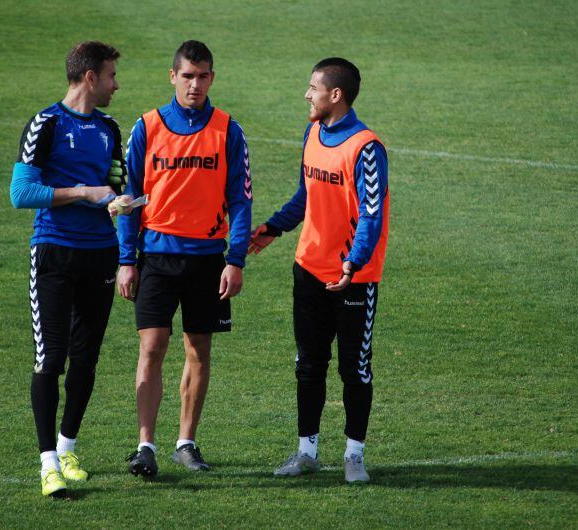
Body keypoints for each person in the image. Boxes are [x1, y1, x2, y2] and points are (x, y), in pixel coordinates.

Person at [248, 57, 389, 484]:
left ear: (336, 95)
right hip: (309, 268)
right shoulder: (312, 132)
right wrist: (273, 227)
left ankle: (354, 455)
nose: (306, 94)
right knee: (308, 363)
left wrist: (353, 261)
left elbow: (371, 214)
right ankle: (306, 451)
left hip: (352, 277)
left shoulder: (366, 147)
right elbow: (305, 196)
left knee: (354, 368)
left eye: (313, 87)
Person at [117, 40, 252, 477]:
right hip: (156, 256)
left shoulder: (228, 130)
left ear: (212, 78)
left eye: (203, 76)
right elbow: (128, 199)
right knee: (152, 347)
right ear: (172, 76)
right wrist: (126, 259)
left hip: (208, 261)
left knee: (199, 349)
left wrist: (236, 259)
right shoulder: (147, 126)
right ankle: (145, 445)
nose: (195, 84)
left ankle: (186, 442)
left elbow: (242, 200)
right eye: (188, 76)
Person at [9, 41, 130, 497]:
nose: (117, 84)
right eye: (112, 75)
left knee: (86, 358)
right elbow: (22, 194)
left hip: (101, 253)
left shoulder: (109, 128)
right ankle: (47, 465)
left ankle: (67, 449)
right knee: (51, 357)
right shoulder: (47, 123)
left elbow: (114, 186)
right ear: (90, 77)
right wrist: (81, 192)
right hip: (55, 254)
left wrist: (120, 201)